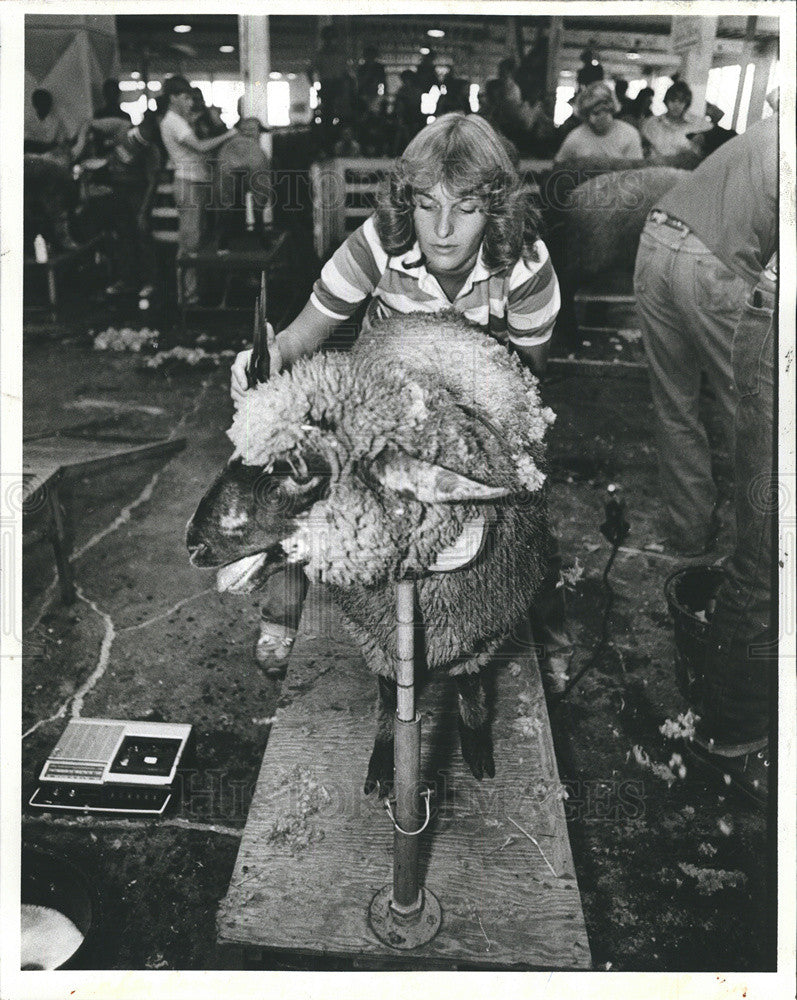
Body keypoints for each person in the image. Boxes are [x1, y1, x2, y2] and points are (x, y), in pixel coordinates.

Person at [229, 112, 571, 692]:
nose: (442, 229)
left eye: (464, 209)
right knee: (300, 471)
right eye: (426, 204)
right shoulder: (378, 243)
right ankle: (282, 608)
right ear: (405, 200)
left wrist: (486, 450)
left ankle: (547, 625)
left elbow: (524, 391)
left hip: (470, 414)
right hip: (378, 405)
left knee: (524, 498)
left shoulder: (527, 269)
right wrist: (266, 357)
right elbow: (302, 335)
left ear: (494, 208)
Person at [633, 114, 778, 805]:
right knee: (751, 419)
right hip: (716, 265)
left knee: (676, 407)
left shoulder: (769, 128)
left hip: (654, 243)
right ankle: (745, 553)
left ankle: (690, 543)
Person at [159, 75, 235, 305]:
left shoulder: (180, 119)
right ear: (173, 98)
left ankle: (192, 293)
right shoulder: (173, 121)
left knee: (195, 239)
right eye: (184, 97)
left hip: (195, 182)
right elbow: (201, 147)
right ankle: (187, 298)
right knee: (189, 242)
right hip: (188, 183)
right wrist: (231, 133)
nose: (188, 102)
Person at [103, 110, 162, 299]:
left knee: (143, 237)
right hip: (118, 192)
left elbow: (152, 183)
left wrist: (143, 211)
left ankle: (149, 282)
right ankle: (127, 281)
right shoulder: (121, 132)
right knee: (123, 237)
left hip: (138, 194)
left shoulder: (152, 150)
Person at [554, 81, 643, 166]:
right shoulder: (575, 137)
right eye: (588, 115)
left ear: (611, 110)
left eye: (598, 113)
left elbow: (635, 173)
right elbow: (558, 166)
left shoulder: (629, 134)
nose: (592, 120)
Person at [641, 79, 710, 161]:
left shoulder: (698, 124)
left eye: (681, 101)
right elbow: (643, 148)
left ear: (686, 103)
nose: (676, 105)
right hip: (657, 168)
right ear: (666, 101)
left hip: (686, 170)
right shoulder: (652, 123)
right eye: (673, 100)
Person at [25, 89, 72, 169]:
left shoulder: (56, 119)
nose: (45, 106)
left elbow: (62, 141)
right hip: (32, 152)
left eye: (47, 103)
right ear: (35, 104)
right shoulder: (28, 119)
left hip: (49, 152)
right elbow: (26, 141)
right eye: (41, 103)